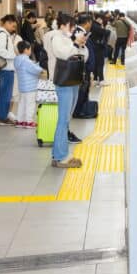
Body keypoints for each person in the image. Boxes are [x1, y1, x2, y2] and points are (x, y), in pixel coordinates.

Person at [43, 12, 88, 168]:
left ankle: (59, 153)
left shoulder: (68, 38)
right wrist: (75, 44)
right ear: (62, 25)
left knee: (66, 118)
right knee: (63, 119)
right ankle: (61, 156)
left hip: (73, 80)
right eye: (71, 25)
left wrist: (81, 46)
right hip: (63, 82)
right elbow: (62, 54)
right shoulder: (56, 38)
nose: (73, 28)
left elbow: (83, 56)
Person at [0, 14, 19, 126]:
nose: (13, 25)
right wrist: (14, 56)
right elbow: (0, 51)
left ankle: (1, 116)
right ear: (4, 23)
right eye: (10, 22)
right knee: (5, 94)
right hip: (6, 68)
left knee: (3, 94)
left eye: (14, 23)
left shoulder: (3, 34)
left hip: (6, 67)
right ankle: (2, 118)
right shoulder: (2, 35)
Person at [14, 41, 45, 130]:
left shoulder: (18, 59)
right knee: (30, 104)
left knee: (22, 104)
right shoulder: (26, 60)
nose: (30, 51)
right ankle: (29, 121)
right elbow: (35, 69)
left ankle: (20, 121)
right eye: (30, 49)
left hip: (22, 87)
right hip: (30, 87)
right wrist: (41, 69)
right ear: (26, 50)